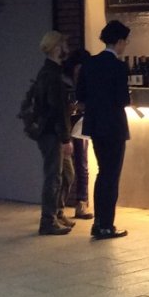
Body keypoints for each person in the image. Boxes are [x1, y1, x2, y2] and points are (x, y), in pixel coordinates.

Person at [76, 21, 132, 240]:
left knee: (102, 173)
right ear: (119, 41)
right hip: (114, 127)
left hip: (95, 125)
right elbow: (123, 99)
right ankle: (106, 225)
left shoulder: (89, 63)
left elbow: (80, 96)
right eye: (125, 42)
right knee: (111, 175)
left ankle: (99, 222)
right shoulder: (119, 67)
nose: (125, 46)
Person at [34, 31, 75, 236]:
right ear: (57, 48)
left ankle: (57, 212)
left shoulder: (48, 72)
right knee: (54, 176)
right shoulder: (53, 75)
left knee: (66, 174)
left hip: (49, 131)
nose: (67, 48)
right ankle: (48, 220)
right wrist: (65, 138)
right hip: (53, 133)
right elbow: (57, 109)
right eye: (64, 45)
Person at [63, 47, 93, 220]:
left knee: (81, 163)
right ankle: (63, 205)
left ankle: (81, 202)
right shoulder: (65, 82)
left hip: (80, 123)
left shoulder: (84, 80)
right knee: (68, 165)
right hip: (67, 123)